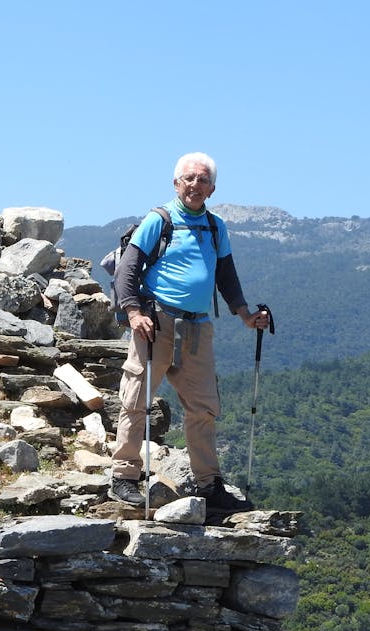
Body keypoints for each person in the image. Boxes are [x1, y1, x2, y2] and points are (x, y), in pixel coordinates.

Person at [108, 152, 270, 515]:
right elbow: (127, 270)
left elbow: (226, 275)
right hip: (156, 322)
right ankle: (124, 477)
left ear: (212, 189)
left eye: (203, 180)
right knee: (137, 399)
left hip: (198, 326)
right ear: (176, 183)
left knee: (203, 407)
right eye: (189, 178)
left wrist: (245, 314)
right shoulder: (159, 220)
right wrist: (134, 313)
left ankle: (209, 485)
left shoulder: (215, 227)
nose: (195, 185)